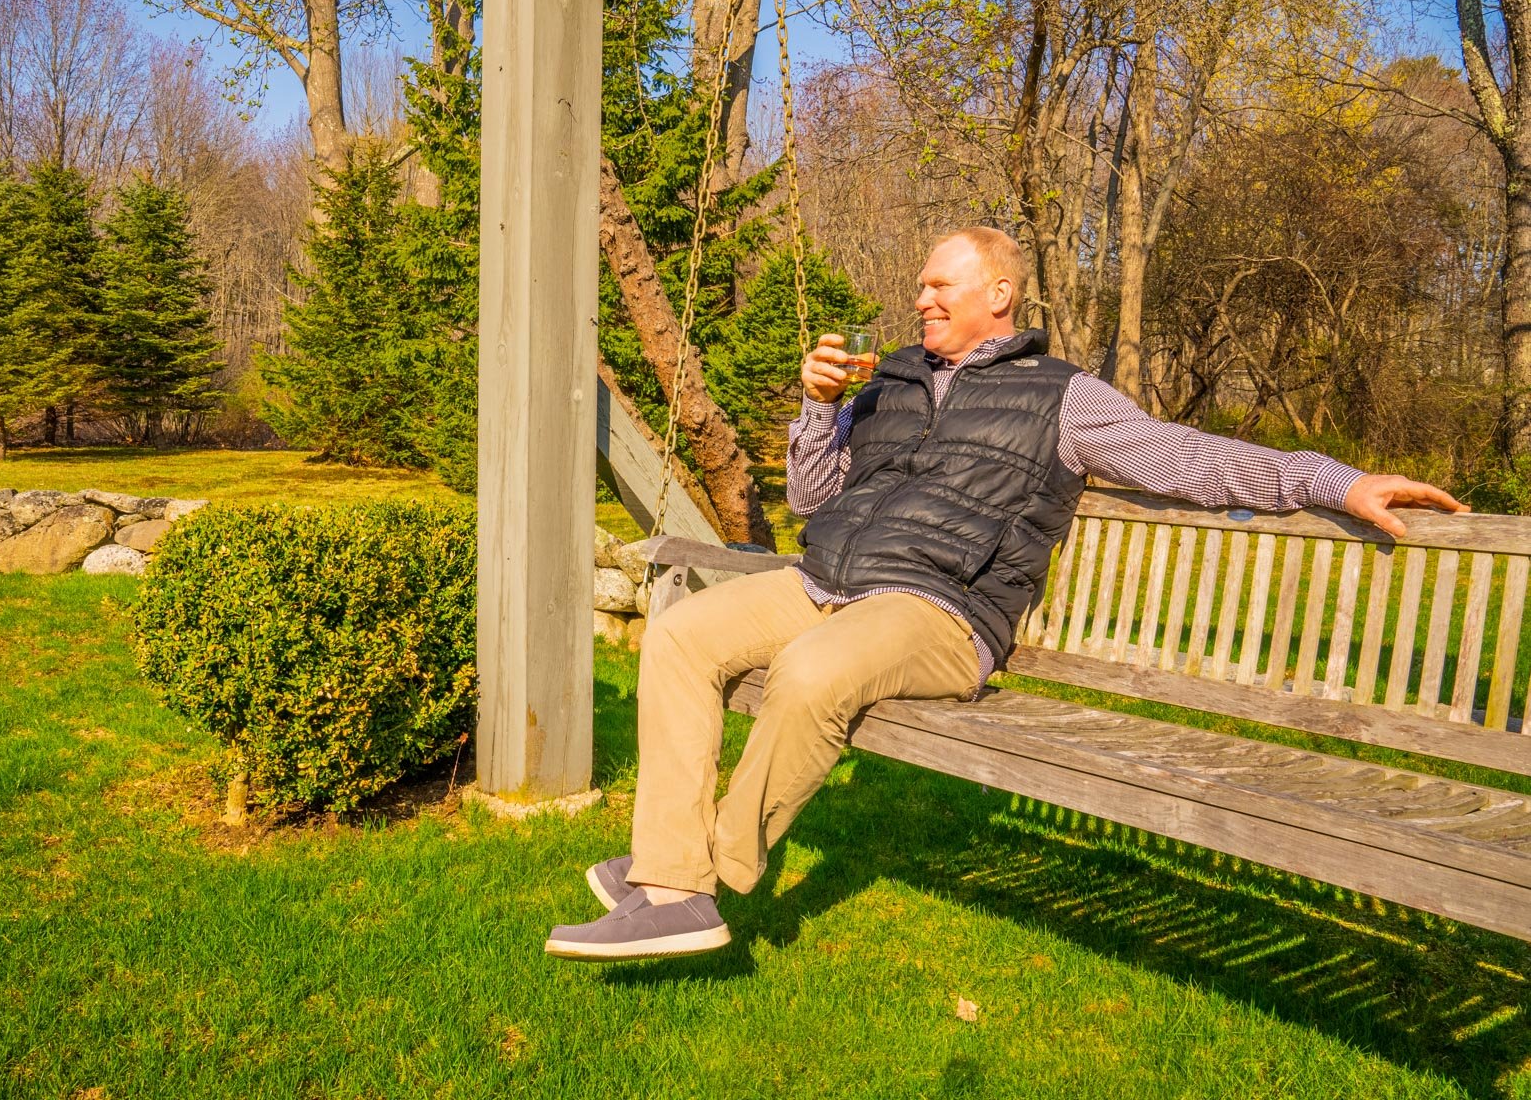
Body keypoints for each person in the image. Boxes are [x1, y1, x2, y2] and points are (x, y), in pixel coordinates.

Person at [545, 227, 1468, 962]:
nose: (920, 300)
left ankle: (687, 886)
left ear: (1000, 296)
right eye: (918, 287)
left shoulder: (1063, 397)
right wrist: (819, 409)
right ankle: (669, 874)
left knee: (809, 674)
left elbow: (1187, 458)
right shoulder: (891, 382)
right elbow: (819, 501)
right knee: (682, 632)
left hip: (941, 612)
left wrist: (1328, 478)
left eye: (940, 286)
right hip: (829, 579)